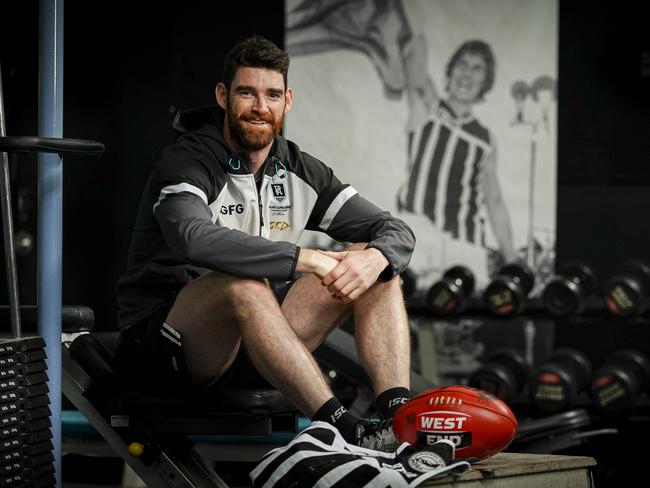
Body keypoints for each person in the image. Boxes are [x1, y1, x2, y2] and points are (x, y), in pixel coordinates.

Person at [115, 35, 416, 452]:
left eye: (272, 94)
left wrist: (376, 257)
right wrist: (304, 258)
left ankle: (400, 420)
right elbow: (192, 236)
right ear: (223, 96)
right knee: (244, 285)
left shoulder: (297, 168)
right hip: (166, 349)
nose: (260, 107)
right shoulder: (188, 160)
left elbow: (394, 228)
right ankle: (347, 431)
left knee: (375, 266)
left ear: (287, 101)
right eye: (246, 93)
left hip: (256, 343)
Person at [397, 37, 517, 285]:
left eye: (477, 68)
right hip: (417, 238)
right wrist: (416, 29)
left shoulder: (485, 138)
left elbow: (494, 201)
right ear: (450, 71)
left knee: (461, 321)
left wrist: (512, 258)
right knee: (411, 318)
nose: (467, 73)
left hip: (465, 244)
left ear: (485, 81)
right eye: (462, 64)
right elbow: (414, 58)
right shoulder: (427, 107)